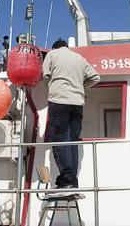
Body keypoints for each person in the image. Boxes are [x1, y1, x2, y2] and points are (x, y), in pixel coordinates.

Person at [42, 38, 100, 189]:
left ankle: (67, 179)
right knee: (72, 141)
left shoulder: (52, 54)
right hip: (77, 103)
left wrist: (52, 88)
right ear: (67, 47)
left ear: (54, 47)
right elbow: (96, 77)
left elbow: (45, 75)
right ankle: (72, 180)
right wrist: (81, 87)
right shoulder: (79, 58)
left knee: (59, 140)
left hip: (59, 100)